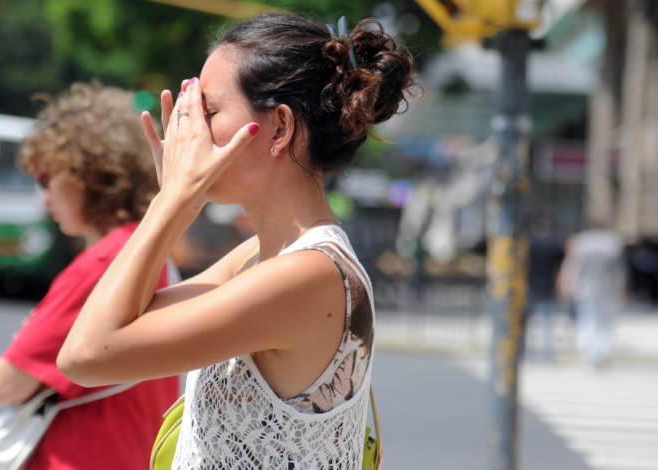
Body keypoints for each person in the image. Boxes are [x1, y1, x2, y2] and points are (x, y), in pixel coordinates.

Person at [58, 14, 418, 468]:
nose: (190, 132)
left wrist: (171, 200)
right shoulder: (257, 258)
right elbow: (129, 318)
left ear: (280, 129)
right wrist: (177, 199)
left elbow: (87, 356)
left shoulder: (309, 275)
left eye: (208, 113)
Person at [0, 83, 180, 470]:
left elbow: (0, 386)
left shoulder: (102, 265)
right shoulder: (149, 251)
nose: (44, 197)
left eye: (44, 179)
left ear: (85, 175)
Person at [559, 221, 626, 369]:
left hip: (585, 289)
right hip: (606, 289)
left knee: (587, 321)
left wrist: (569, 287)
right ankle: (601, 352)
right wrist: (620, 288)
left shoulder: (581, 242)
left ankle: (589, 354)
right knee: (604, 323)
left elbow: (572, 268)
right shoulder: (612, 243)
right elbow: (619, 270)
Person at [526, 217, 565, 361]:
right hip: (548, 286)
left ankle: (523, 352)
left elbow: (525, 265)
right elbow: (560, 268)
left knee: (525, 322)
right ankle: (546, 354)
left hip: (531, 284)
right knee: (547, 323)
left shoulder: (531, 243)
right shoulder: (554, 245)